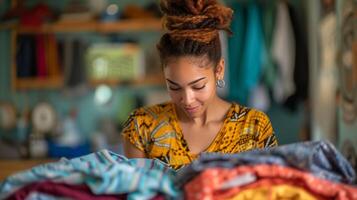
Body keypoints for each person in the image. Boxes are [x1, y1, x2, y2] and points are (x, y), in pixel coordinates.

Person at [122, 0, 278, 170]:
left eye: (197, 86)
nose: (187, 100)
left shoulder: (254, 126)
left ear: (219, 70)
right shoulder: (141, 127)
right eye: (174, 87)